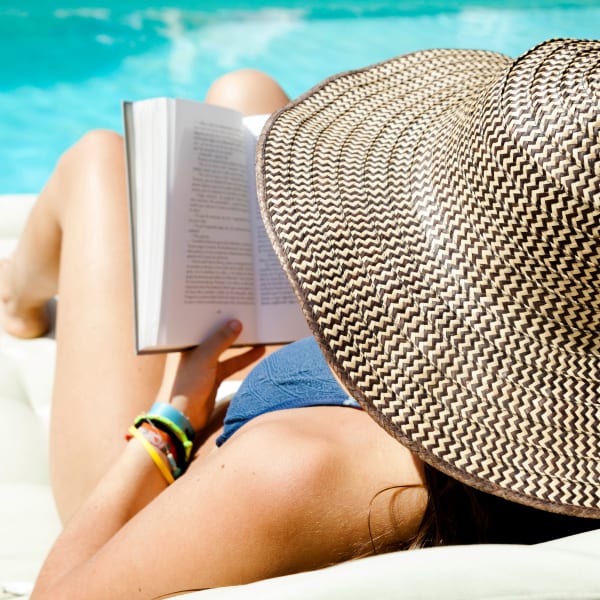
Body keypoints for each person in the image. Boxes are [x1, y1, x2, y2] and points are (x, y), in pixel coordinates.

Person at [1, 38, 598, 599]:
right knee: (245, 92)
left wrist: (172, 419)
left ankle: (16, 303)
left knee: (98, 161)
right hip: (398, 385)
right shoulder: (556, 426)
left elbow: (60, 594)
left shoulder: (296, 470)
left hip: (161, 482)